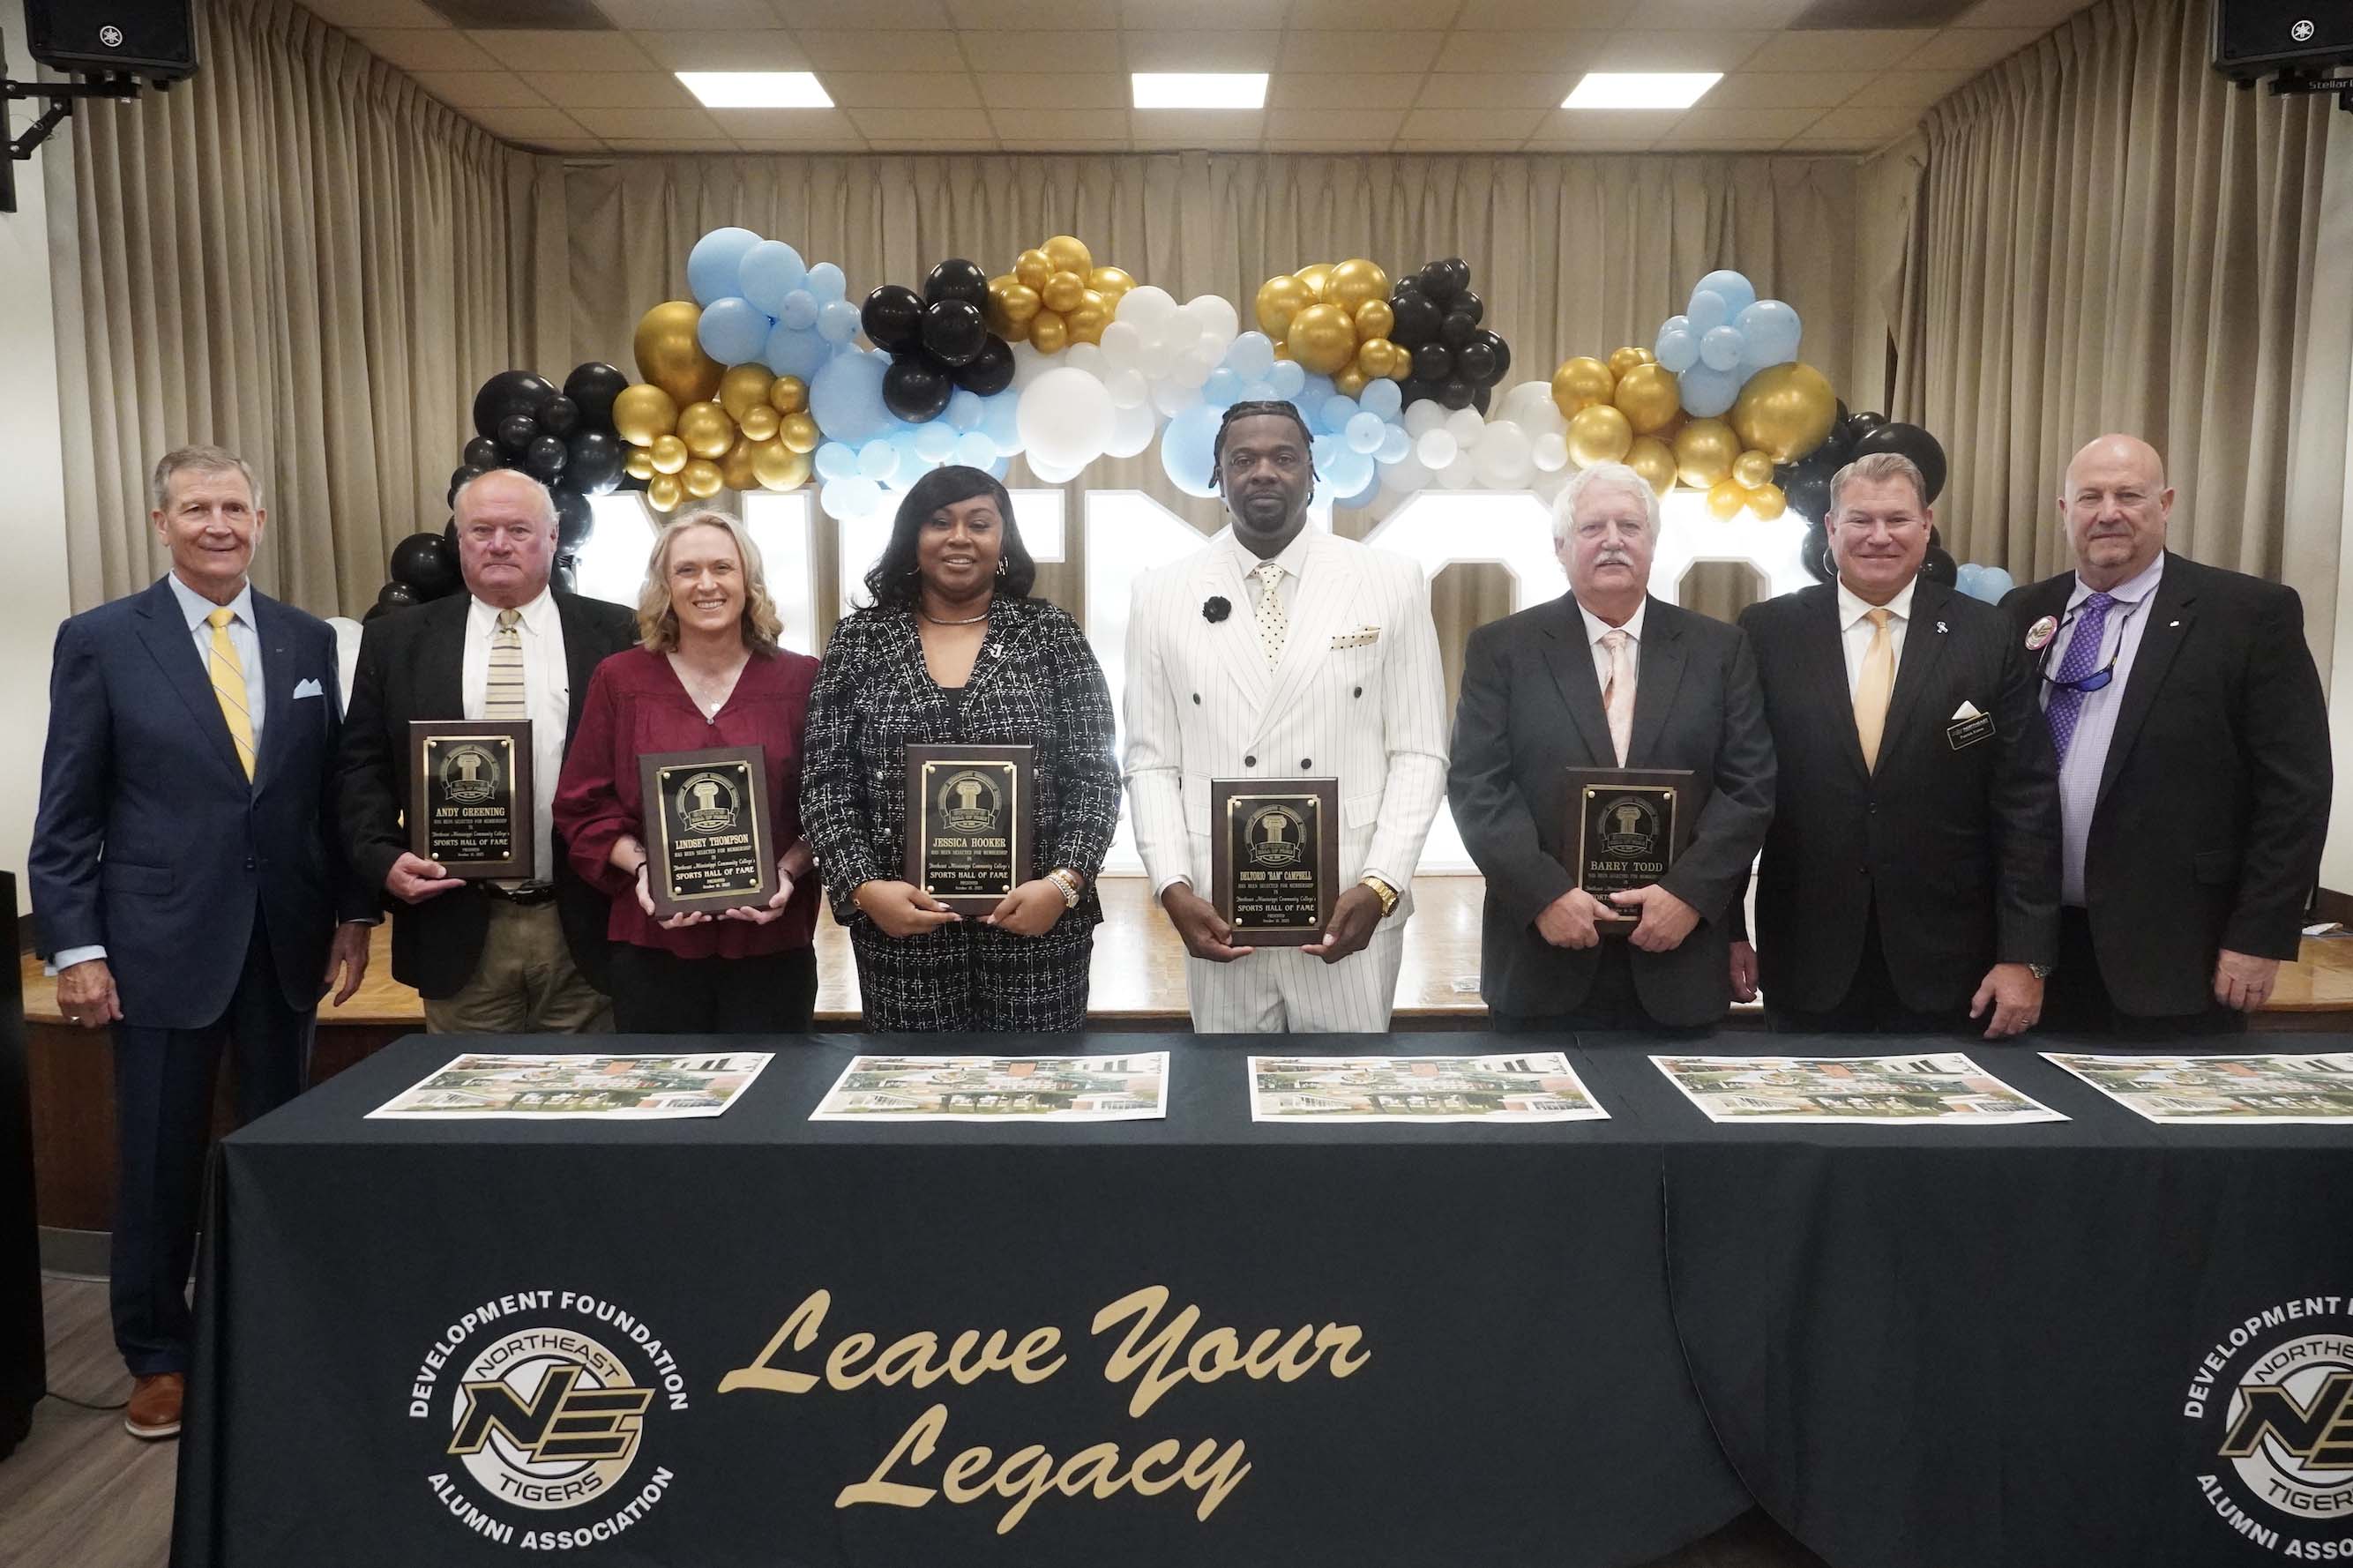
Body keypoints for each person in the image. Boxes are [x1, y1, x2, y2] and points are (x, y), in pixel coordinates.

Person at [29, 444, 374, 1439]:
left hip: (285, 944)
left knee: (274, 1149)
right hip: (156, 944)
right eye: (195, 508)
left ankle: (267, 1326)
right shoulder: (101, 639)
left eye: (234, 506)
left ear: (261, 520)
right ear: (160, 523)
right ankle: (158, 1352)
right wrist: (75, 948)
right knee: (158, 1160)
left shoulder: (308, 639)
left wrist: (354, 912)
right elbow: (66, 812)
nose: (217, 524)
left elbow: (326, 794)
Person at [1124, 400, 1448, 1032]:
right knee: (1226, 1114)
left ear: (1313, 471)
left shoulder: (1390, 581)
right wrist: (1172, 886)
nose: (1263, 472)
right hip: (1218, 909)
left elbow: (1419, 751)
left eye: (1283, 457)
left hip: (1350, 904)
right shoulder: (1161, 592)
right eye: (1242, 459)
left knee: (1347, 1109)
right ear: (1217, 476)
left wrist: (1382, 884)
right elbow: (1151, 760)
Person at [2005, 434, 2330, 1033]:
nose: (2108, 513)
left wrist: (2261, 934)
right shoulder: (2022, 612)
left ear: (2167, 504)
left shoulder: (2248, 615)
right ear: (2063, 510)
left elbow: (2296, 791)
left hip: (2180, 951)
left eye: (2129, 495)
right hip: (2033, 951)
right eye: (2090, 497)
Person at [1730, 452, 2059, 1037]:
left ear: (1927, 525)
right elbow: (1733, 790)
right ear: (1830, 529)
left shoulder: (1987, 634)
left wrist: (2025, 954)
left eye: (1897, 519)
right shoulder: (1767, 632)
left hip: (1952, 965)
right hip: (1806, 957)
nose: (1879, 536)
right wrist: (1729, 929)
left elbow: (2025, 804)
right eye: (1860, 520)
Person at [1447, 459, 1774, 1033]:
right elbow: (1478, 786)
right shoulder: (1503, 650)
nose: (1613, 542)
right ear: (1560, 545)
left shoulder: (1720, 650)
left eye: (1630, 526)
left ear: (1653, 542)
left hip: (1680, 958)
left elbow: (1748, 789)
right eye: (1593, 527)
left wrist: (1689, 896)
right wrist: (1544, 894)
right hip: (1541, 957)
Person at [800, 466, 1119, 1031]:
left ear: (1003, 540)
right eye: (939, 522)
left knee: (1037, 1098)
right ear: (911, 538)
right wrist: (864, 887)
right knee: (913, 1100)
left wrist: (1064, 883)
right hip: (903, 934)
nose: (959, 537)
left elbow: (1094, 774)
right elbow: (827, 779)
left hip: (1036, 929)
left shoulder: (1052, 635)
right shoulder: (860, 641)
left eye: (980, 522)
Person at [336, 469, 638, 1032]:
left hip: (584, 923)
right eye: (481, 530)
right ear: (458, 540)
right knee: (467, 1115)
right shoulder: (396, 641)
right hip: (455, 922)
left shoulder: (618, 634)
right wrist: (382, 859)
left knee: (592, 1110)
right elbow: (361, 769)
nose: (499, 544)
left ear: (553, 538)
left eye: (519, 529)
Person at [553, 510, 822, 1033]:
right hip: (654, 943)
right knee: (662, 1103)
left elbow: (831, 805)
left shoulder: (802, 678)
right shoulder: (620, 679)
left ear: (749, 581)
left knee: (774, 1101)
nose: (706, 584)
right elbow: (582, 804)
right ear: (664, 586)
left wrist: (786, 872)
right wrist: (643, 869)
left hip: (771, 940)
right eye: (687, 570)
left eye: (723, 567)